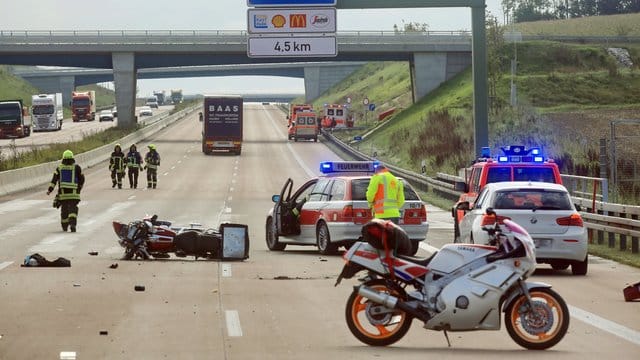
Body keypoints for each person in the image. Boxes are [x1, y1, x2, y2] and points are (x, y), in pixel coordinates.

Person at [47, 150, 85, 232]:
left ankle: (64, 226)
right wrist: (79, 188)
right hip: (74, 195)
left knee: (64, 211)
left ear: (63, 159)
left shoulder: (59, 168)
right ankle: (73, 224)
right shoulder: (77, 168)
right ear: (72, 159)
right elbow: (82, 179)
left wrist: (50, 190)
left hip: (63, 195)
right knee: (73, 210)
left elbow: (54, 180)